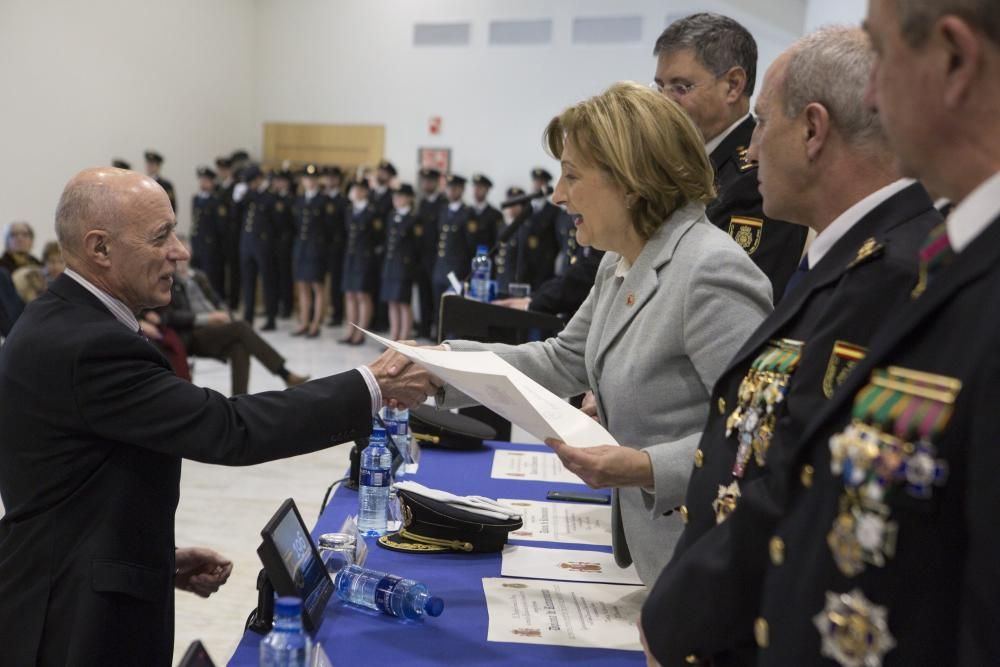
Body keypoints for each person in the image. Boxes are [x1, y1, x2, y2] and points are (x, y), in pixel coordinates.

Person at [0, 167, 439, 666]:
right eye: (161, 236)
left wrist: (158, 561)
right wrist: (371, 386)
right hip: (70, 617)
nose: (181, 252)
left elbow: (75, 486)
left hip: (75, 583)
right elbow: (229, 430)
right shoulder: (90, 345)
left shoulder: (65, 319)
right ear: (100, 249)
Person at [640, 25, 943, 666]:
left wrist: (686, 613)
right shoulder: (841, 257)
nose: (749, 149)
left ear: (812, 130)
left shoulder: (896, 274)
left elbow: (808, 489)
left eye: (758, 124)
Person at [436, 82, 772, 584]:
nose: (557, 195)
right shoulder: (624, 258)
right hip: (663, 559)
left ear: (632, 183)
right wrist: (438, 367)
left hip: (710, 564)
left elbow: (756, 437)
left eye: (572, 175)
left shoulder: (710, 271)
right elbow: (561, 360)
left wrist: (643, 467)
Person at [653, 13, 809, 301]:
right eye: (660, 87)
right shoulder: (676, 167)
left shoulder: (759, 177)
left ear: (733, 85)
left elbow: (736, 303)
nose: (663, 102)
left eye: (680, 87)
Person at [158, 243, 309, 394]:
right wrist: (208, 318)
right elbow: (170, 316)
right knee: (241, 327)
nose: (183, 260)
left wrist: (226, 315)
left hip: (216, 328)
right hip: (193, 332)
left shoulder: (198, 276)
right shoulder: (171, 281)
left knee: (239, 347)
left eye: (186, 254)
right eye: (179, 257)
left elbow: (217, 301)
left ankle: (239, 400)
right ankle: (284, 373)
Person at [340, 179, 381, 345]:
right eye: (353, 189)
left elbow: (378, 237)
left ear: (365, 192)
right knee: (350, 294)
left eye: (359, 190)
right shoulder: (350, 210)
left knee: (363, 294)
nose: (355, 193)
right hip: (351, 256)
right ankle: (351, 330)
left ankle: (361, 332)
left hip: (364, 258)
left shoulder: (372, 212)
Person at [239, 165, 279, 331]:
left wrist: (260, 192)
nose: (250, 186)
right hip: (247, 244)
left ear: (258, 180)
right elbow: (236, 213)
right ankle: (248, 317)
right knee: (248, 283)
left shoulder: (269, 197)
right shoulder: (248, 195)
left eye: (252, 182)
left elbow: (276, 223)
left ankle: (271, 317)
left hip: (263, 245)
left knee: (267, 282)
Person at [291, 164, 329, 337]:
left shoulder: (323, 200)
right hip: (302, 248)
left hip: (317, 249)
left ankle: (316, 323)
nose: (310, 182)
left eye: (313, 179)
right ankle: (304, 321)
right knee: (302, 286)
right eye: (307, 179)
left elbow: (329, 227)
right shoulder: (299, 199)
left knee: (317, 287)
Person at [430, 174, 475, 310]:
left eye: (455, 188)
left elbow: (470, 244)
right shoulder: (443, 210)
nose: (451, 192)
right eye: (449, 188)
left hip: (457, 269)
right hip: (440, 267)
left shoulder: (468, 212)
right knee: (438, 307)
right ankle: (437, 332)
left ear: (461, 190)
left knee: (453, 308)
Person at [380, 183, 418, 341]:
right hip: (390, 263)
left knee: (403, 302)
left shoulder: (414, 219)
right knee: (392, 301)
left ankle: (404, 339)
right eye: (395, 196)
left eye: (400, 196)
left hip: (404, 266)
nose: (396, 199)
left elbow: (417, 246)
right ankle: (393, 337)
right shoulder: (391, 216)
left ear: (409, 198)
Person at [413, 167, 444, 338]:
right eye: (424, 181)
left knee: (435, 297)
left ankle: (435, 328)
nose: (426, 184)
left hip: (436, 258)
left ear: (436, 182)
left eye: (430, 181)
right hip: (422, 257)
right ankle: (423, 327)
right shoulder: (422, 203)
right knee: (423, 294)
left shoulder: (442, 203)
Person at [190, 166, 227, 297]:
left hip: (211, 245)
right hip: (197, 242)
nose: (203, 183)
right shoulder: (196, 199)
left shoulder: (216, 201)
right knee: (196, 273)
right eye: (201, 180)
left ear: (212, 183)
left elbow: (221, 226)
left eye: (206, 180)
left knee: (210, 276)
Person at [321, 165, 349, 327]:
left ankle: (337, 313)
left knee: (336, 282)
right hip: (320, 246)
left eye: (333, 178)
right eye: (327, 177)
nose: (330, 180)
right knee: (318, 281)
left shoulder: (343, 201)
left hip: (336, 247)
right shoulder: (322, 198)